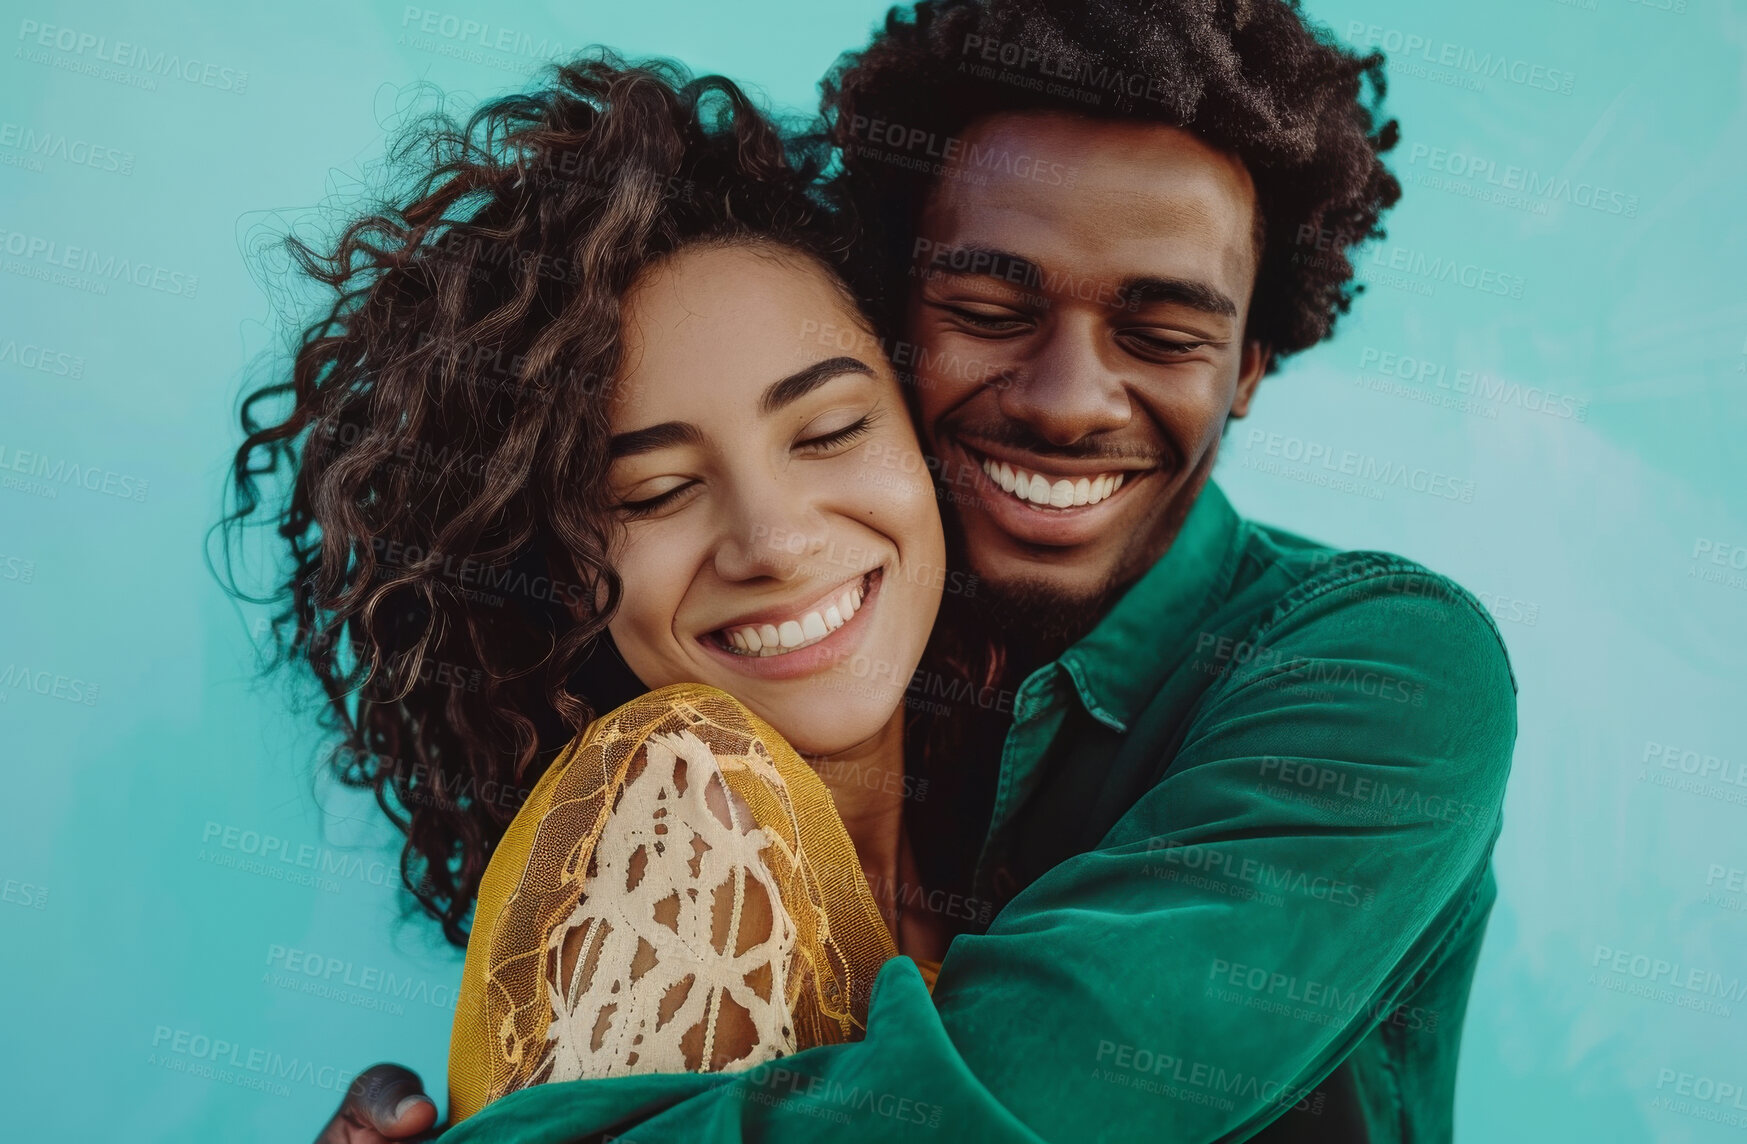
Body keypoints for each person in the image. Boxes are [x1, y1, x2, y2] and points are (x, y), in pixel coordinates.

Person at [316, 1, 1518, 1141]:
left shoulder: (1378, 675)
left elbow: (1026, 1099)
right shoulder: (727, 768)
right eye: (991, 307)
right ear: (897, 323)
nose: (1064, 403)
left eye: (1163, 334)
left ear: (1250, 365)